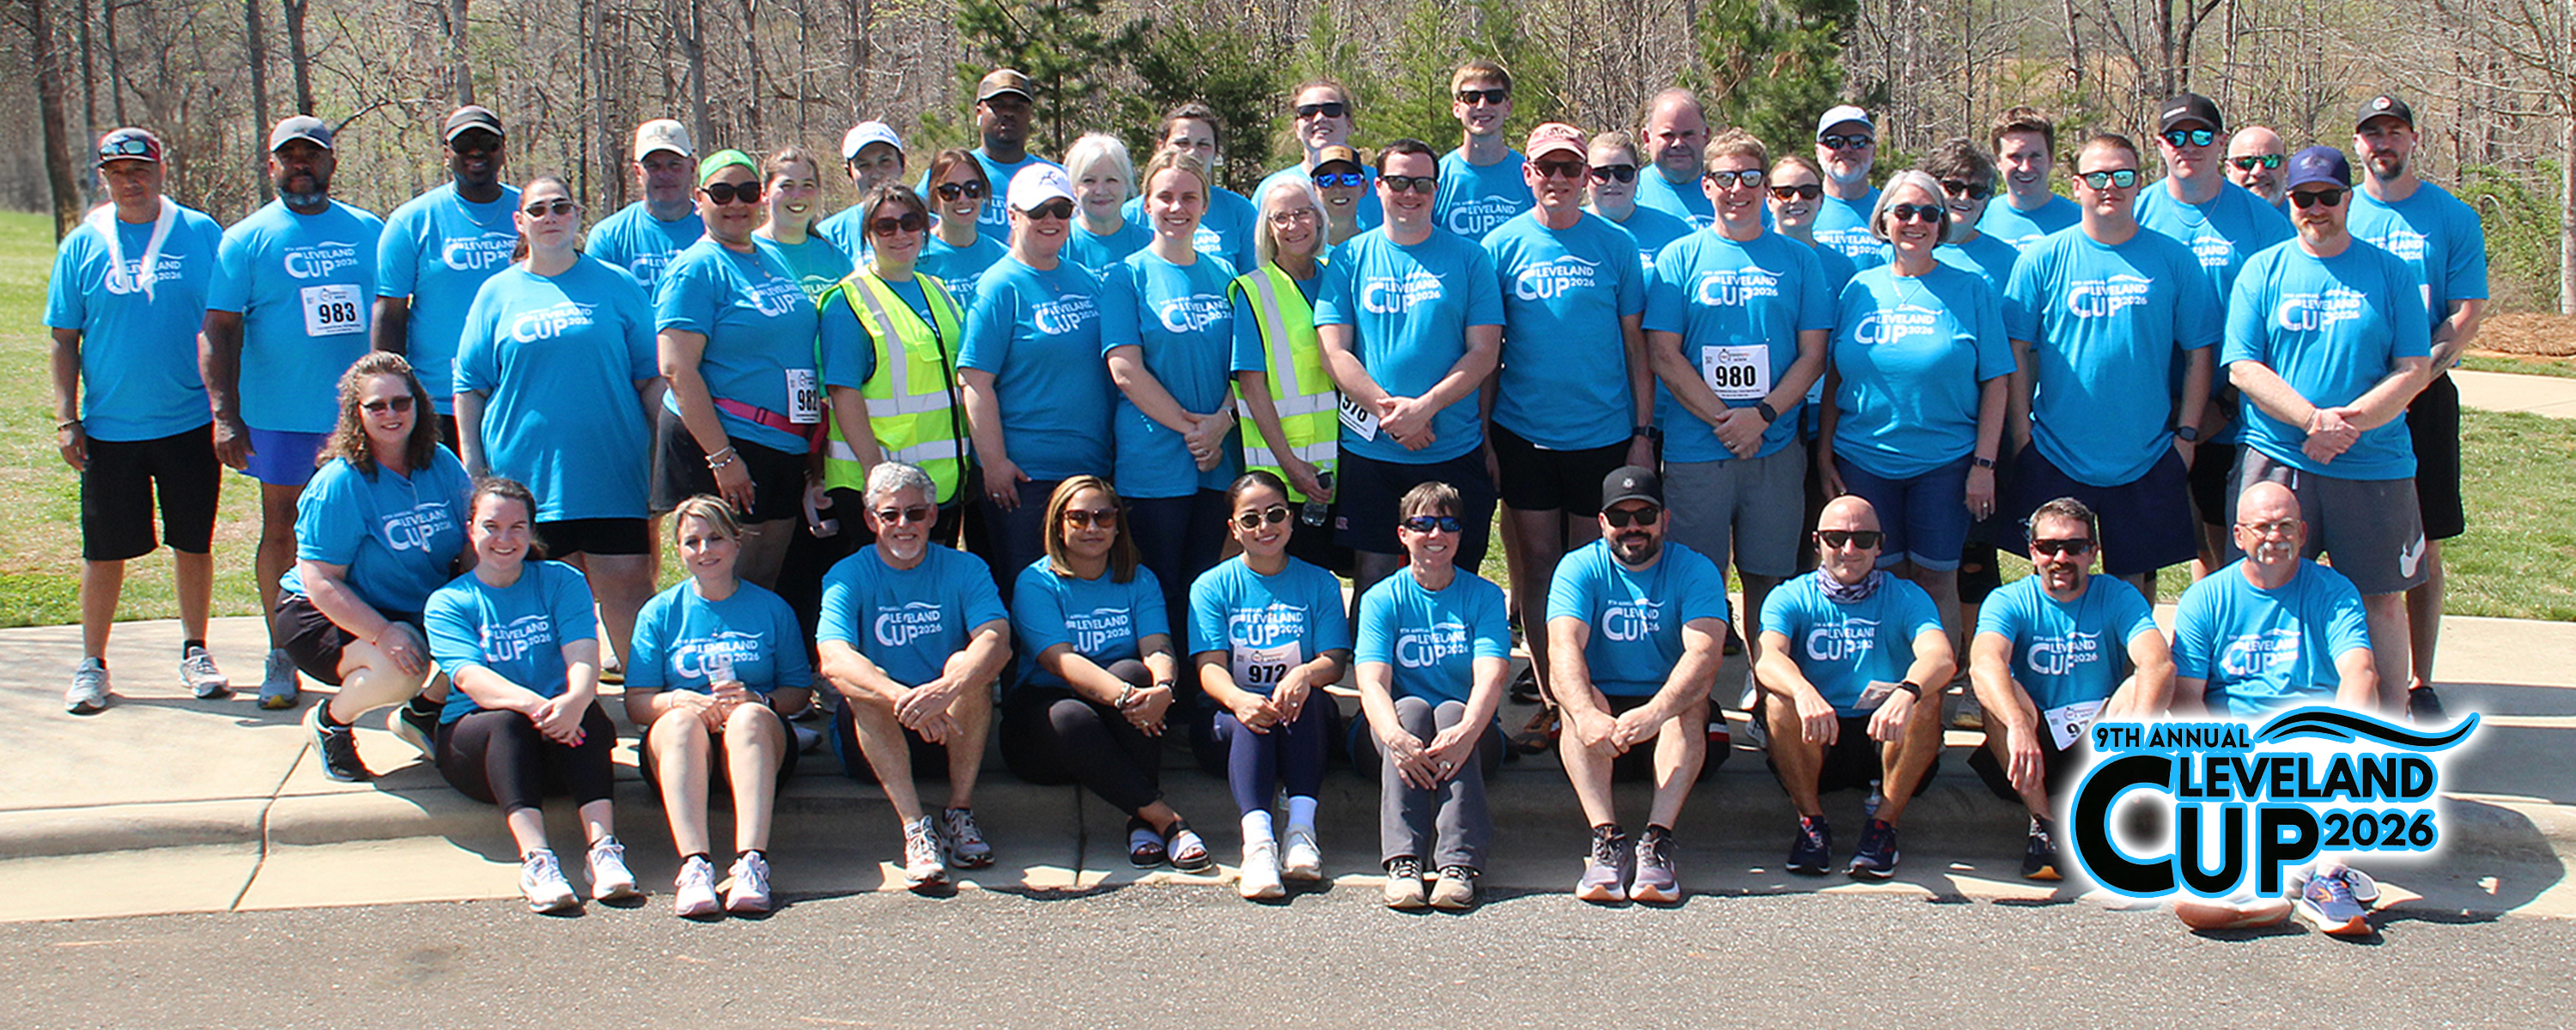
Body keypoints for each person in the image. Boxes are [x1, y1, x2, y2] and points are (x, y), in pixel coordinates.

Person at [2223, 144, 2433, 709]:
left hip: (2374, 462)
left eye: (2329, 197)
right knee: (2263, 588)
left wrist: (2348, 425)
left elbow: (2413, 368)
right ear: (2289, 201)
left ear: (2348, 198)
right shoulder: (2263, 270)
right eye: (2303, 198)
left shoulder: (2390, 272)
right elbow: (2243, 365)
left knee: (2380, 599)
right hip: (2279, 456)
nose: (2316, 208)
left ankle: (2390, 729)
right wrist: (2312, 421)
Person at [203, 113, 385, 710]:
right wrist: (225, 414)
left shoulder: (370, 231)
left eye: (313, 155)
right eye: (290, 156)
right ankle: (281, 651)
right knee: (282, 528)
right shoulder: (246, 238)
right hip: (280, 416)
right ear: (271, 163)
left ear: (332, 162)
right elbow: (219, 330)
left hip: (360, 418)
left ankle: (371, 650)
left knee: (364, 534)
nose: (302, 165)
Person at [47, 127, 230, 712]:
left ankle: (196, 649)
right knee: (103, 552)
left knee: (192, 543)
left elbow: (226, 323)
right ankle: (92, 662)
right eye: (117, 170)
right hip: (109, 427)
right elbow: (62, 338)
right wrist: (66, 418)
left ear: (160, 170)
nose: (131, 179)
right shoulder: (82, 242)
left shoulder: (200, 233)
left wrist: (228, 406)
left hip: (187, 422)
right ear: (103, 176)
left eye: (140, 167)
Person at [455, 174, 664, 676]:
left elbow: (650, 381)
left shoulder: (616, 285)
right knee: (547, 599)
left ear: (576, 215)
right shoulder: (496, 293)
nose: (550, 218)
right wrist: (475, 469)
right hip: (527, 479)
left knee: (629, 587)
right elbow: (469, 386)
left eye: (561, 207)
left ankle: (651, 703)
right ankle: (558, 706)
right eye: (538, 210)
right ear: (519, 222)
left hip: (610, 472)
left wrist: (666, 459)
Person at [1482, 121, 1655, 715]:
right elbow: (1488, 355)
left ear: (1585, 176)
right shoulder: (1500, 247)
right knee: (1536, 565)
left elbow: (1638, 348)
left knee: (1592, 567)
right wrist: (1484, 438)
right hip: (1524, 432)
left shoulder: (1616, 246)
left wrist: (1642, 434)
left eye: (1569, 169)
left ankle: (1589, 685)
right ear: (1527, 174)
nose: (1557, 179)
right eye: (1545, 168)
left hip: (1603, 435)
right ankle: (1554, 693)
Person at [1645, 130, 1831, 682]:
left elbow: (1813, 355)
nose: (1738, 189)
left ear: (1765, 188)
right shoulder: (1681, 257)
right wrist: (1725, 419)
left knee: (1768, 580)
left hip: (1774, 446)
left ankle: (1765, 689)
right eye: (1726, 178)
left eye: (1751, 178)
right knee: (1697, 579)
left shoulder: (1799, 262)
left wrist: (1763, 416)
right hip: (1697, 448)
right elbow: (1664, 352)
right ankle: (1694, 700)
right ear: (1707, 186)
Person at [2002, 134, 2218, 597]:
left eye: (2122, 175)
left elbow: (2200, 352)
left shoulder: (2174, 259)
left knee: (2133, 586)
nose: (2110, 186)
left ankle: (2133, 670)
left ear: (2139, 183)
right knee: (2054, 572)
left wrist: (2186, 437)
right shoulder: (2042, 259)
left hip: (2146, 451)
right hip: (2057, 448)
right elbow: (2018, 350)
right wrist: (2021, 433)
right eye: (2097, 176)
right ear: (2077, 185)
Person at [2167, 479, 2380, 935]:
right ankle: (2281, 887)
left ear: (2303, 532)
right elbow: (2186, 698)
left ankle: (2326, 878)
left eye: (2286, 526)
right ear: (2239, 535)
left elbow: (2359, 672)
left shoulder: (2332, 591)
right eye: (2262, 527)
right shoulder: (2206, 598)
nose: (2275, 537)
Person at [422, 477, 635, 914]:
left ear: (532, 530)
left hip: (561, 740)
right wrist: (538, 706)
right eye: (491, 526)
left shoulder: (562, 581)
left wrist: (576, 699)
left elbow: (582, 653)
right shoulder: (449, 601)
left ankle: (604, 852)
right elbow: (470, 679)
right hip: (481, 752)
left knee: (590, 714)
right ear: (471, 529)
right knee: (508, 719)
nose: (505, 539)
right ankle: (538, 860)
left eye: (517, 527)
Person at [1817, 170, 2011, 647]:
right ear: (1884, 220)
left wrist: (1984, 464)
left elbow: (1997, 382)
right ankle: (1881, 681)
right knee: (1872, 577)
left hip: (1944, 463)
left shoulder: (1971, 288)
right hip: (1863, 459)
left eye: (1929, 213)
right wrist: (1824, 455)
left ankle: (1931, 692)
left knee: (1936, 578)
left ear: (1942, 224)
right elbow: (1835, 377)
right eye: (1903, 212)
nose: (1915, 222)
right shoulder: (1858, 289)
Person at [2347, 94, 2489, 722]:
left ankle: (2420, 682)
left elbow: (2465, 314)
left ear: (2413, 139)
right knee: (2345, 543)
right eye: (2372, 134)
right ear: (2358, 145)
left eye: (2394, 132)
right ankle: (2358, 668)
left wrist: (2416, 379)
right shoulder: (2336, 208)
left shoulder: (2451, 217)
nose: (2384, 144)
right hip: (2348, 396)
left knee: (2423, 542)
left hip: (2425, 398)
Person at [1315, 137, 1504, 597]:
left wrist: (1425, 408)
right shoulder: (1350, 258)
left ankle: (1453, 669)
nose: (1410, 192)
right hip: (1373, 453)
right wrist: (1393, 416)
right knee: (1373, 579)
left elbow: (1483, 351)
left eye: (1422, 182)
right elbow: (1335, 351)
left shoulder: (1469, 258)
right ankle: (1371, 670)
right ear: (1377, 187)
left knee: (1454, 575)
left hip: (1450, 447)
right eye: (1398, 181)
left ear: (1436, 189)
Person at [1001, 477, 1215, 877]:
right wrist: (1129, 698)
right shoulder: (1036, 582)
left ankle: (1140, 824)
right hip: (1044, 730)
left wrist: (1164, 688)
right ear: (1058, 525)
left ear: (1118, 524)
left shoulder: (1138, 578)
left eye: (1103, 516)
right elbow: (1059, 662)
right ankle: (1166, 820)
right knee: (1073, 715)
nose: (1092, 528)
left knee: (1136, 669)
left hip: (1118, 719)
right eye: (1078, 518)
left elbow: (1157, 647)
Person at [817, 462, 1010, 887]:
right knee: (863, 683)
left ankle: (959, 813)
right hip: (876, 738)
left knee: (968, 665)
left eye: (916, 513)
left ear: (933, 515)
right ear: (871, 520)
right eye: (890, 515)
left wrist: (946, 690)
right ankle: (915, 828)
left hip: (948, 730)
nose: (904, 525)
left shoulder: (966, 569)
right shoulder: (847, 575)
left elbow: (998, 640)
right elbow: (833, 658)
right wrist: (902, 698)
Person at [282, 354, 472, 780]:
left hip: (408, 606)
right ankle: (330, 722)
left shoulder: (440, 462)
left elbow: (468, 540)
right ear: (356, 413)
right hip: (326, 613)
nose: (391, 414)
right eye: (377, 406)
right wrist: (382, 632)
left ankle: (423, 714)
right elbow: (320, 580)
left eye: (401, 403)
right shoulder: (341, 482)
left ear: (418, 405)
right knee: (402, 667)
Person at [1965, 497, 2174, 880]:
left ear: (2092, 552)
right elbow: (1984, 661)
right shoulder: (2008, 600)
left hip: (2102, 743)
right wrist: (2018, 725)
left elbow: (2158, 662)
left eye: (2074, 547)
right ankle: (2043, 826)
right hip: (2030, 747)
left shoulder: (2117, 595)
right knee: (1999, 693)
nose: (2061, 557)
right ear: (2033, 552)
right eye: (2048, 547)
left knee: (2137, 687)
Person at [1549, 467, 1729, 904]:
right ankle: (1607, 841)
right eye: (1621, 517)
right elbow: (1563, 651)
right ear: (1602, 522)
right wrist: (1589, 715)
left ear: (1664, 518)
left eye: (1645, 515)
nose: (1634, 527)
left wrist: (1654, 712)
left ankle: (1656, 844)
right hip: (1601, 731)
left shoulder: (1695, 569)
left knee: (1690, 700)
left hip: (1667, 723)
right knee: (1576, 700)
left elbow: (1704, 657)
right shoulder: (1578, 568)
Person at [2132, 94, 2293, 579]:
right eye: (2176, 136)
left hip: (2233, 411)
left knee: (2228, 542)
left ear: (2220, 142)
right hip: (2152, 410)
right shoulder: (2135, 214)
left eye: (2202, 135)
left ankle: (2231, 643)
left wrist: (2221, 406)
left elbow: (2279, 323)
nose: (2189, 146)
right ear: (2159, 144)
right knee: (2150, 547)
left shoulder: (2263, 222)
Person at [625, 495, 810, 917]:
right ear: (678, 550)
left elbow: (798, 690)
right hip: (684, 757)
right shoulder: (659, 612)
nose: (705, 551)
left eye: (715, 538)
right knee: (679, 723)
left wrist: (757, 699)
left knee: (747, 717)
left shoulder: (771, 608)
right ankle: (695, 866)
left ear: (737, 543)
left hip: (757, 751)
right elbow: (636, 703)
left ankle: (751, 863)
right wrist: (676, 700)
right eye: (692, 542)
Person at [1755, 496, 1953, 879]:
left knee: (1927, 701)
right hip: (1820, 731)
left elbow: (1941, 657)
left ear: (1880, 544)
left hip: (1884, 731)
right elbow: (1768, 658)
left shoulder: (1907, 595)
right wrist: (1802, 690)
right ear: (1817, 542)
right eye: (1836, 538)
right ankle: (1811, 824)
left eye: (1863, 539)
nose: (1849, 549)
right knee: (1779, 702)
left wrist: (1907, 691)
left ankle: (1883, 828)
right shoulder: (1790, 596)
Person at [653, 148, 823, 591]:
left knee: (766, 579)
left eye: (747, 192)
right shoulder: (696, 268)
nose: (735, 204)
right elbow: (676, 368)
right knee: (727, 578)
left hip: (783, 441)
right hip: (727, 441)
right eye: (722, 193)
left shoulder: (767, 253)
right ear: (699, 198)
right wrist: (722, 458)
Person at [1188, 471, 1350, 897]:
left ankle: (1300, 833)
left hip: (1303, 720)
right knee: (1250, 718)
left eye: (1275, 514)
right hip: (1231, 723)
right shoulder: (1212, 586)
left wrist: (1303, 674)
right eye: (1251, 518)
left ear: (1292, 520)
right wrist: (1240, 700)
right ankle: (1258, 845)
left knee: (1312, 702)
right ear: (1234, 529)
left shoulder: (1319, 582)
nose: (1265, 527)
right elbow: (1209, 668)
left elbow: (1334, 662)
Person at [959, 165, 1112, 600]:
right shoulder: (998, 286)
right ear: (1012, 215)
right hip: (1026, 478)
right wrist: (994, 463)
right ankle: (1025, 672)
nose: (1050, 220)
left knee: (1082, 592)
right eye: (1037, 210)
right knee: (1028, 591)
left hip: (1089, 469)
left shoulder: (1085, 280)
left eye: (1061, 210)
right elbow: (975, 382)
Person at [1103, 148, 1241, 629]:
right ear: (1145, 204)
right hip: (1154, 457)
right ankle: (1162, 693)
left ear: (1205, 205)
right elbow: (1126, 370)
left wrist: (1221, 423)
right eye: (1165, 197)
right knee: (1157, 584)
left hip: (1218, 457)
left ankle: (1203, 695)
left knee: (1205, 585)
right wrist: (1192, 430)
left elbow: (1244, 366)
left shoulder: (1227, 275)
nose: (1177, 208)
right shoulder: (1126, 276)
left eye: (1189, 197)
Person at [1352, 481, 1507, 910]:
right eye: (1422, 524)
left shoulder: (1485, 596)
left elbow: (1491, 677)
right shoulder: (1383, 598)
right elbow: (1371, 682)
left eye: (1447, 524)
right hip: (1391, 739)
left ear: (1461, 533)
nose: (1435, 535)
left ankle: (1458, 863)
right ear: (1403, 534)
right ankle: (1404, 861)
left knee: (1455, 710)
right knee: (1413, 709)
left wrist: (1467, 733)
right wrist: (1396, 739)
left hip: (1470, 741)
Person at [817, 184, 974, 546]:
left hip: (941, 482)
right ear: (868, 234)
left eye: (910, 222)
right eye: (885, 226)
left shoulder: (937, 290)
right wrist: (877, 477)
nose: (900, 233)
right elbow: (844, 393)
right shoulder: (848, 301)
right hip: (880, 491)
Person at [374, 106, 516, 445]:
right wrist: (392, 394)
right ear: (445, 153)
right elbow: (390, 312)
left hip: (520, 394)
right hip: (439, 402)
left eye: (488, 142)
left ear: (502, 150)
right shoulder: (411, 221)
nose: (477, 152)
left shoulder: (534, 212)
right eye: (464, 144)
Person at [1230, 177, 1346, 573]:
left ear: (1319, 218)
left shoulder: (1340, 274)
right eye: (1282, 217)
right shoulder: (1254, 291)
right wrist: (1292, 465)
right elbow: (1252, 387)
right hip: (1287, 472)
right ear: (1268, 228)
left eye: (1303, 213)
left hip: (1348, 460)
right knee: (1298, 577)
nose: (1294, 225)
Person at [922, 69, 1062, 239]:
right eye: (998, 106)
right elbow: (913, 226)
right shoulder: (951, 173)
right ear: (979, 112)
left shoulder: (1054, 177)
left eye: (1018, 107)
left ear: (1029, 114)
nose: (1009, 113)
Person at [1121, 103, 1259, 270]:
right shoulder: (1131, 215)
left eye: (1203, 145)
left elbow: (1254, 280)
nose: (1193, 153)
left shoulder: (1240, 211)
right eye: (1182, 143)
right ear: (1161, 147)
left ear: (1216, 152)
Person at [586, 119, 704, 293]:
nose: (664, 174)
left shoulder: (716, 230)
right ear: (637, 172)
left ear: (692, 166)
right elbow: (599, 306)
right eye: (653, 166)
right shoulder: (609, 237)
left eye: (674, 165)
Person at [1255, 80, 1383, 232]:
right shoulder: (1272, 189)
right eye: (1308, 112)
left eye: (1331, 110)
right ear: (1296, 128)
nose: (1319, 118)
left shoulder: (1382, 186)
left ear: (1349, 124)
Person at [1433, 60, 1534, 240]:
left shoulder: (1529, 176)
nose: (1482, 105)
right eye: (1472, 97)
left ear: (1508, 107)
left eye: (1493, 97)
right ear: (1457, 108)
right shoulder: (1438, 177)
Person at [1583, 130, 1693, 277]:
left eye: (1623, 173)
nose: (1612, 182)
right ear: (1585, 177)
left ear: (1637, 174)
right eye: (1601, 174)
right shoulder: (1566, 229)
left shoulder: (1676, 232)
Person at [917, 148, 1011, 313]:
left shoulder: (1003, 257)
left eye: (972, 189)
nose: (963, 199)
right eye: (950, 191)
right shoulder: (916, 257)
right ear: (934, 195)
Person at [755, 146, 854, 300]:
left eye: (807, 185)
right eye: (786, 186)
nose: (798, 195)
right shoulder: (747, 252)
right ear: (764, 194)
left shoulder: (834, 256)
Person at [1978, 106, 2080, 251]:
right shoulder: (1979, 217)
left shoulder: (2079, 222)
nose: (2026, 167)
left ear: (2051, 159)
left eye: (2035, 156)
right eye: (2015, 157)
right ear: (1998, 161)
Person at [1924, 138, 2018, 293]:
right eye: (1954, 187)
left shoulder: (2008, 260)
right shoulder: (1904, 250)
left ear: (1987, 198)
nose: (1964, 197)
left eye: (1976, 191)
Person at [816, 120, 908, 260]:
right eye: (864, 165)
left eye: (885, 161)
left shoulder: (932, 227)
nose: (876, 174)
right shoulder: (829, 236)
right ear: (849, 173)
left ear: (902, 163)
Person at [1060, 133, 1151, 276]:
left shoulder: (1150, 243)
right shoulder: (1058, 244)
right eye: (1089, 181)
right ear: (1073, 187)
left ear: (1126, 183)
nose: (1100, 191)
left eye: (1111, 180)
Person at [1807, 105, 1885, 265]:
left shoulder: (1893, 210)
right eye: (1834, 142)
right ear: (1818, 151)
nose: (1846, 149)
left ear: (1874, 151)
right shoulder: (1796, 207)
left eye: (1858, 141)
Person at [1631, 89, 1713, 229]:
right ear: (1647, 139)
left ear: (1705, 136)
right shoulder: (1626, 192)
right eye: (1668, 135)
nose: (1678, 144)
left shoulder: (1734, 193)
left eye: (1688, 135)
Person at [1308, 144, 1373, 247]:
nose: (1338, 188)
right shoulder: (1305, 251)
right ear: (1314, 190)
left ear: (1364, 188)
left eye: (1349, 179)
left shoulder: (1374, 248)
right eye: (1326, 180)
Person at [2227, 125, 2289, 209]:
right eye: (2246, 162)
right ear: (2228, 170)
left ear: (2285, 168)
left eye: (2270, 161)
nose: (2258, 172)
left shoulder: (2304, 219)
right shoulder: (2212, 217)